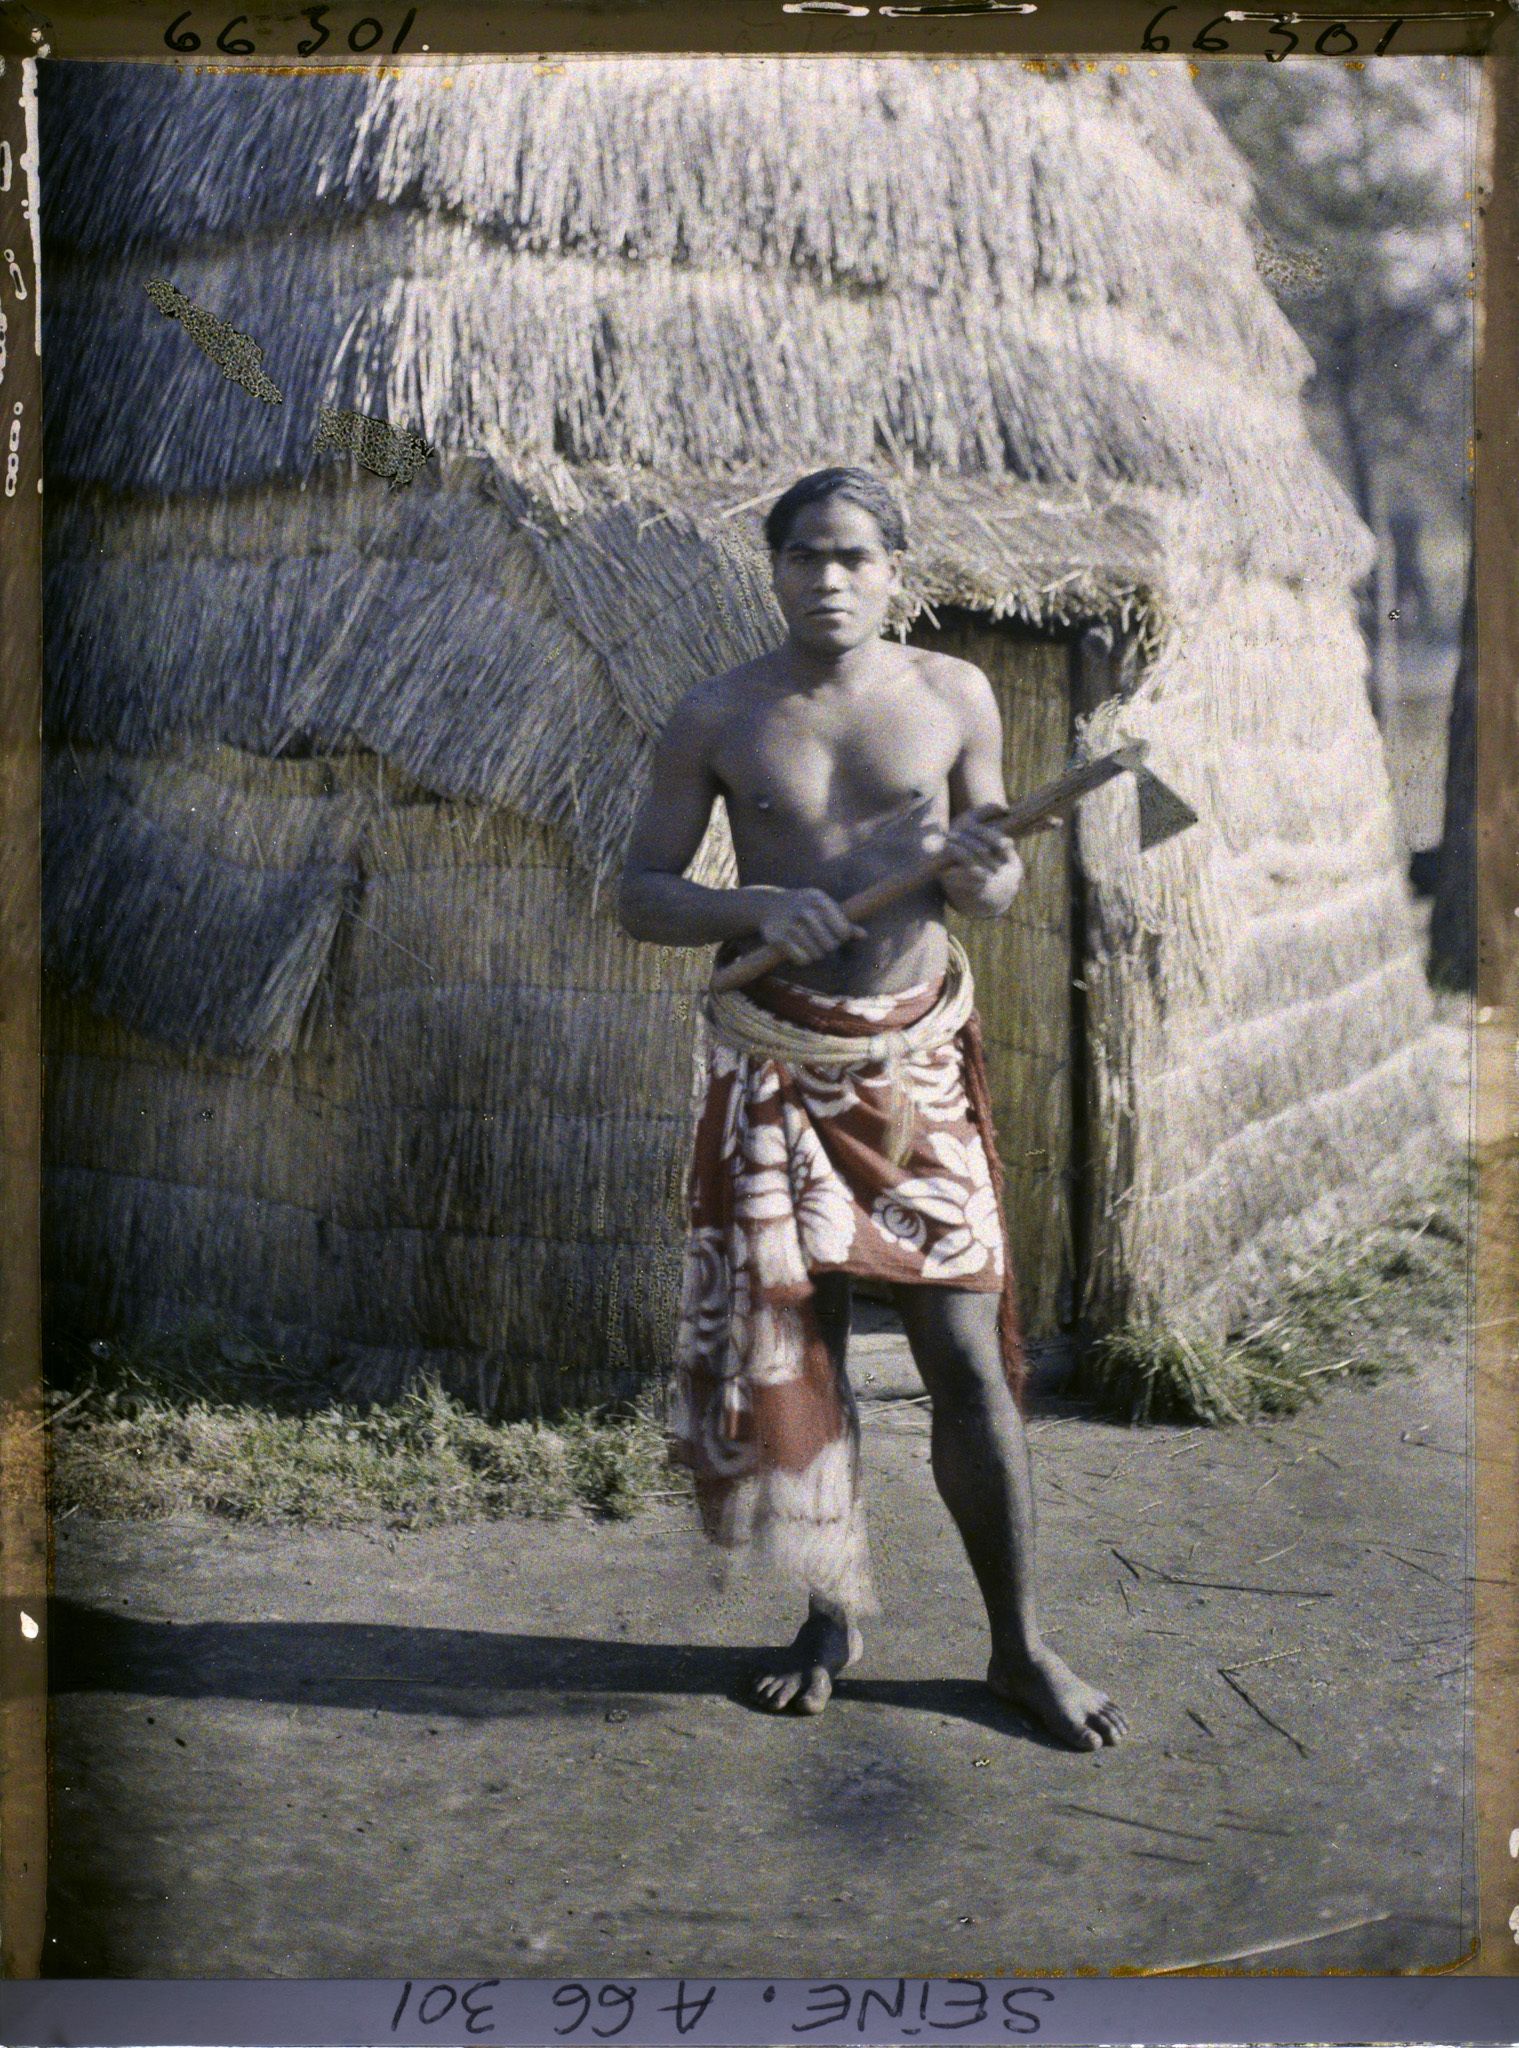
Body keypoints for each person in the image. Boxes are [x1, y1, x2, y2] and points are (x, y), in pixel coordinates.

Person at [617, 467, 1126, 1751]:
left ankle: (1016, 1646)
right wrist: (748, 908)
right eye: (804, 557)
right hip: (775, 1063)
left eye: (852, 556)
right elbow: (638, 894)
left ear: (897, 568)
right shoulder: (716, 716)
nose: (827, 578)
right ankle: (828, 1615)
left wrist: (990, 871)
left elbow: (989, 880)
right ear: (775, 569)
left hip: (911, 1073)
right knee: (807, 1358)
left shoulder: (952, 696)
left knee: (962, 1359)